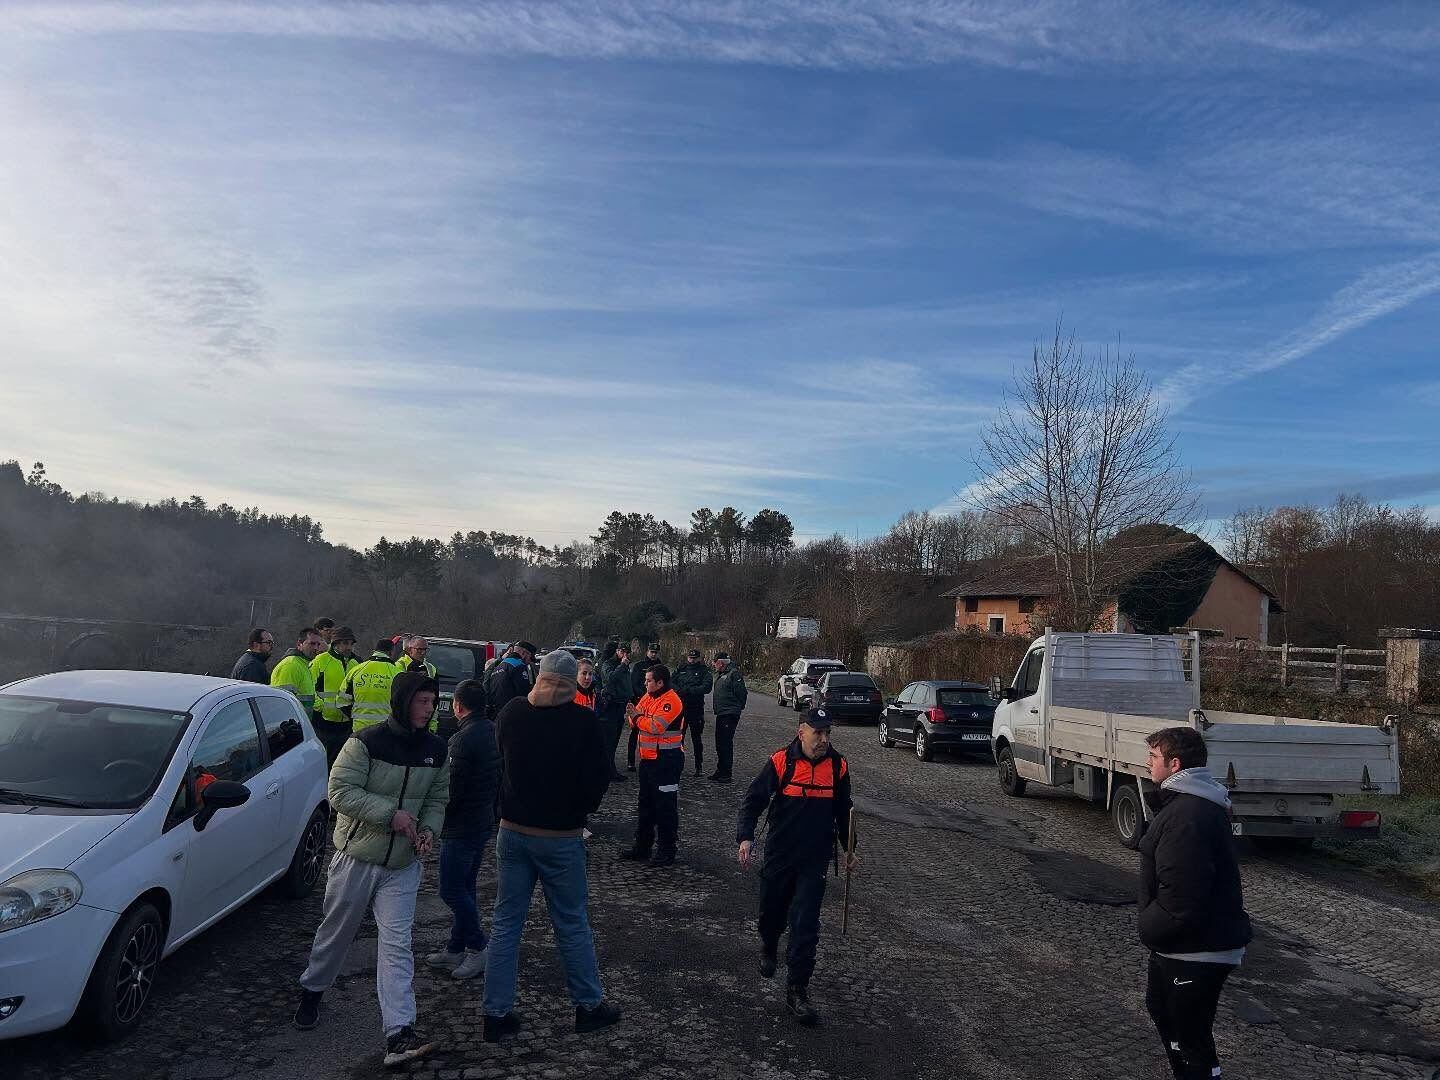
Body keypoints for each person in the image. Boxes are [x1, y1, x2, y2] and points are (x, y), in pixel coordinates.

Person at [293, 669, 450, 1069]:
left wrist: (428, 829)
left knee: (396, 944)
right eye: (421, 700)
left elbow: (436, 797)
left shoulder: (437, 749)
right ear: (403, 701)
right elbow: (339, 791)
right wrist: (388, 814)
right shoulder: (365, 742)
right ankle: (312, 990)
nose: (429, 708)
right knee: (337, 931)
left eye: (432, 702)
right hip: (357, 858)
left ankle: (399, 1032)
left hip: (402, 864)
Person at [481, 651, 620, 1042]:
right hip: (560, 839)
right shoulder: (584, 721)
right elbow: (599, 776)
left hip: (512, 833)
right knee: (572, 923)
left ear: (539, 677)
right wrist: (581, 811)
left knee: (506, 923)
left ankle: (495, 1015)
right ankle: (589, 1007)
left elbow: (501, 762)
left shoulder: (510, 713)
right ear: (572, 682)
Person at [1139, 727, 1252, 1080]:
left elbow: (1183, 896)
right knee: (1165, 1014)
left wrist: (1149, 926)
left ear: (1174, 764)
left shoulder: (1187, 816)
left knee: (1191, 1039)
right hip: (1183, 946)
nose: (1148, 763)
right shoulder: (1189, 805)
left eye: (1154, 757)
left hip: (1195, 949)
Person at [737, 706, 855, 1026]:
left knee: (805, 924)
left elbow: (845, 813)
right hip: (780, 854)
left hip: (814, 859)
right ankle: (769, 944)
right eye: (818, 732)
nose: (824, 739)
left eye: (828, 733)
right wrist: (745, 837)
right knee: (770, 913)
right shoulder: (781, 761)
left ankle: (797, 990)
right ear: (801, 731)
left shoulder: (838, 767)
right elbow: (753, 801)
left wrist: (850, 849)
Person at [427, 679, 501, 982]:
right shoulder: (492, 731)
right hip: (483, 819)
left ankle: (477, 947)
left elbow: (451, 790)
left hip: (461, 826)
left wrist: (435, 817)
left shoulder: (461, 740)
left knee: (451, 889)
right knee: (466, 886)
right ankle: (456, 947)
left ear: (458, 706)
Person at [620, 663, 685, 867]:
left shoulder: (671, 701)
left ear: (660, 682)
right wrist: (637, 717)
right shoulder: (648, 696)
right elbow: (633, 721)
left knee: (665, 807)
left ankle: (667, 850)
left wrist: (637, 717)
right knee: (646, 805)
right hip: (648, 760)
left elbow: (656, 726)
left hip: (667, 761)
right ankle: (643, 847)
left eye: (648, 680)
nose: (645, 683)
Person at [310, 626, 361, 768]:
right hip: (324, 724)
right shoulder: (320, 660)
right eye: (345, 643)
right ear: (335, 644)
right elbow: (309, 688)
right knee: (324, 763)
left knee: (342, 763)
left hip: (346, 723)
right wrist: (320, 707)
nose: (349, 647)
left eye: (351, 643)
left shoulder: (355, 663)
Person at [343, 638, 402, 732]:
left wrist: (355, 717)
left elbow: (342, 701)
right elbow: (402, 705)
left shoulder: (356, 670)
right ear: (391, 652)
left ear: (374, 651)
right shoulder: (398, 674)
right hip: (386, 731)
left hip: (359, 729)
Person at [672, 648, 713, 778]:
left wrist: (689, 690)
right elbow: (671, 682)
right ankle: (678, 764)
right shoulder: (681, 668)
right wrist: (679, 690)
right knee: (679, 738)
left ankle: (698, 766)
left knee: (696, 739)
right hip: (681, 708)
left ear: (699, 658)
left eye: (694, 658)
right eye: (690, 658)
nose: (692, 660)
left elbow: (706, 687)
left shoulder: (704, 671)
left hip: (696, 708)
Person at [709, 651, 748, 783]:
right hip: (722, 712)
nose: (714, 665)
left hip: (729, 713)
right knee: (719, 742)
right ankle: (720, 770)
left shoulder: (733, 674)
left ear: (720, 663)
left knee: (725, 743)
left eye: (715, 663)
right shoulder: (723, 674)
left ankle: (726, 773)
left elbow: (741, 693)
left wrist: (737, 707)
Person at [270, 628, 325, 722]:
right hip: (290, 728)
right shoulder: (291, 665)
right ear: (299, 644)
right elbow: (281, 704)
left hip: (302, 725)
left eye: (318, 644)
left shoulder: (304, 665)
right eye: (312, 643)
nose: (316, 648)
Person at [625, 643, 661, 771]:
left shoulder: (660, 667)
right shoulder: (639, 666)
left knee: (652, 731)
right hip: (640, 701)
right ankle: (630, 761)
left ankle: (651, 759)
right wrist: (645, 696)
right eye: (652, 652)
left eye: (655, 652)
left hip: (655, 704)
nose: (653, 654)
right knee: (635, 732)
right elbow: (634, 683)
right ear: (647, 652)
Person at [598, 643, 631, 781]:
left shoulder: (624, 665)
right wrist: (622, 665)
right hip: (611, 706)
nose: (625, 655)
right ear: (617, 651)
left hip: (620, 706)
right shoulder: (609, 664)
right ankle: (608, 770)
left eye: (627, 652)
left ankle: (610, 769)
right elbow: (610, 679)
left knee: (615, 740)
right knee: (609, 741)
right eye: (622, 651)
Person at [485, 641, 536, 721]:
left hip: (496, 715)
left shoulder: (499, 666)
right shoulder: (519, 666)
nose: (529, 661)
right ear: (523, 653)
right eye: (530, 657)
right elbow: (523, 693)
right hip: (511, 716)